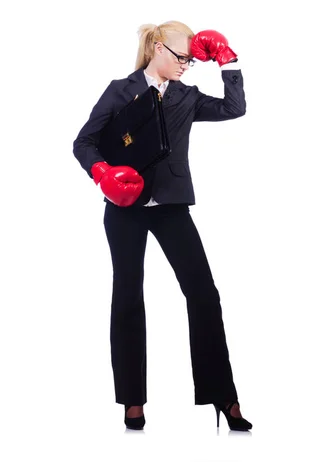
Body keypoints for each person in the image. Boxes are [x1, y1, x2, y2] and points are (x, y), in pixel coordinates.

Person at [73, 20, 252, 431]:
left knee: (203, 293)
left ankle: (223, 396)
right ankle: (132, 402)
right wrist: (100, 171)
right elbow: (84, 141)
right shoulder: (120, 89)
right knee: (128, 297)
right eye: (182, 57)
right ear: (156, 47)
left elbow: (234, 108)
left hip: (171, 205)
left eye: (192, 59)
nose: (188, 65)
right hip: (124, 205)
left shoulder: (187, 97)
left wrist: (229, 62)